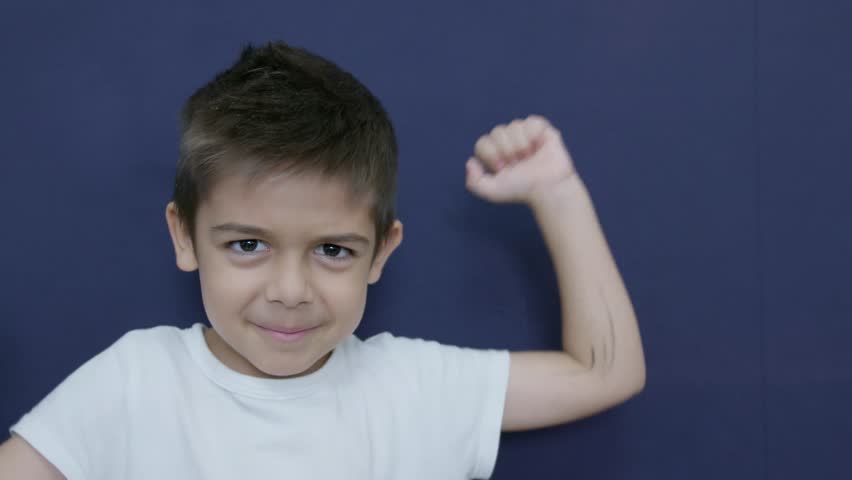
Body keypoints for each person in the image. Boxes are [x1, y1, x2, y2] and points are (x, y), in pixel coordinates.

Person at [0, 41, 646, 479]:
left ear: (381, 252)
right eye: (247, 245)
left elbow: (603, 372)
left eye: (332, 250)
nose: (290, 290)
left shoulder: (415, 388)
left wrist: (557, 194)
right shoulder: (133, 381)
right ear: (185, 237)